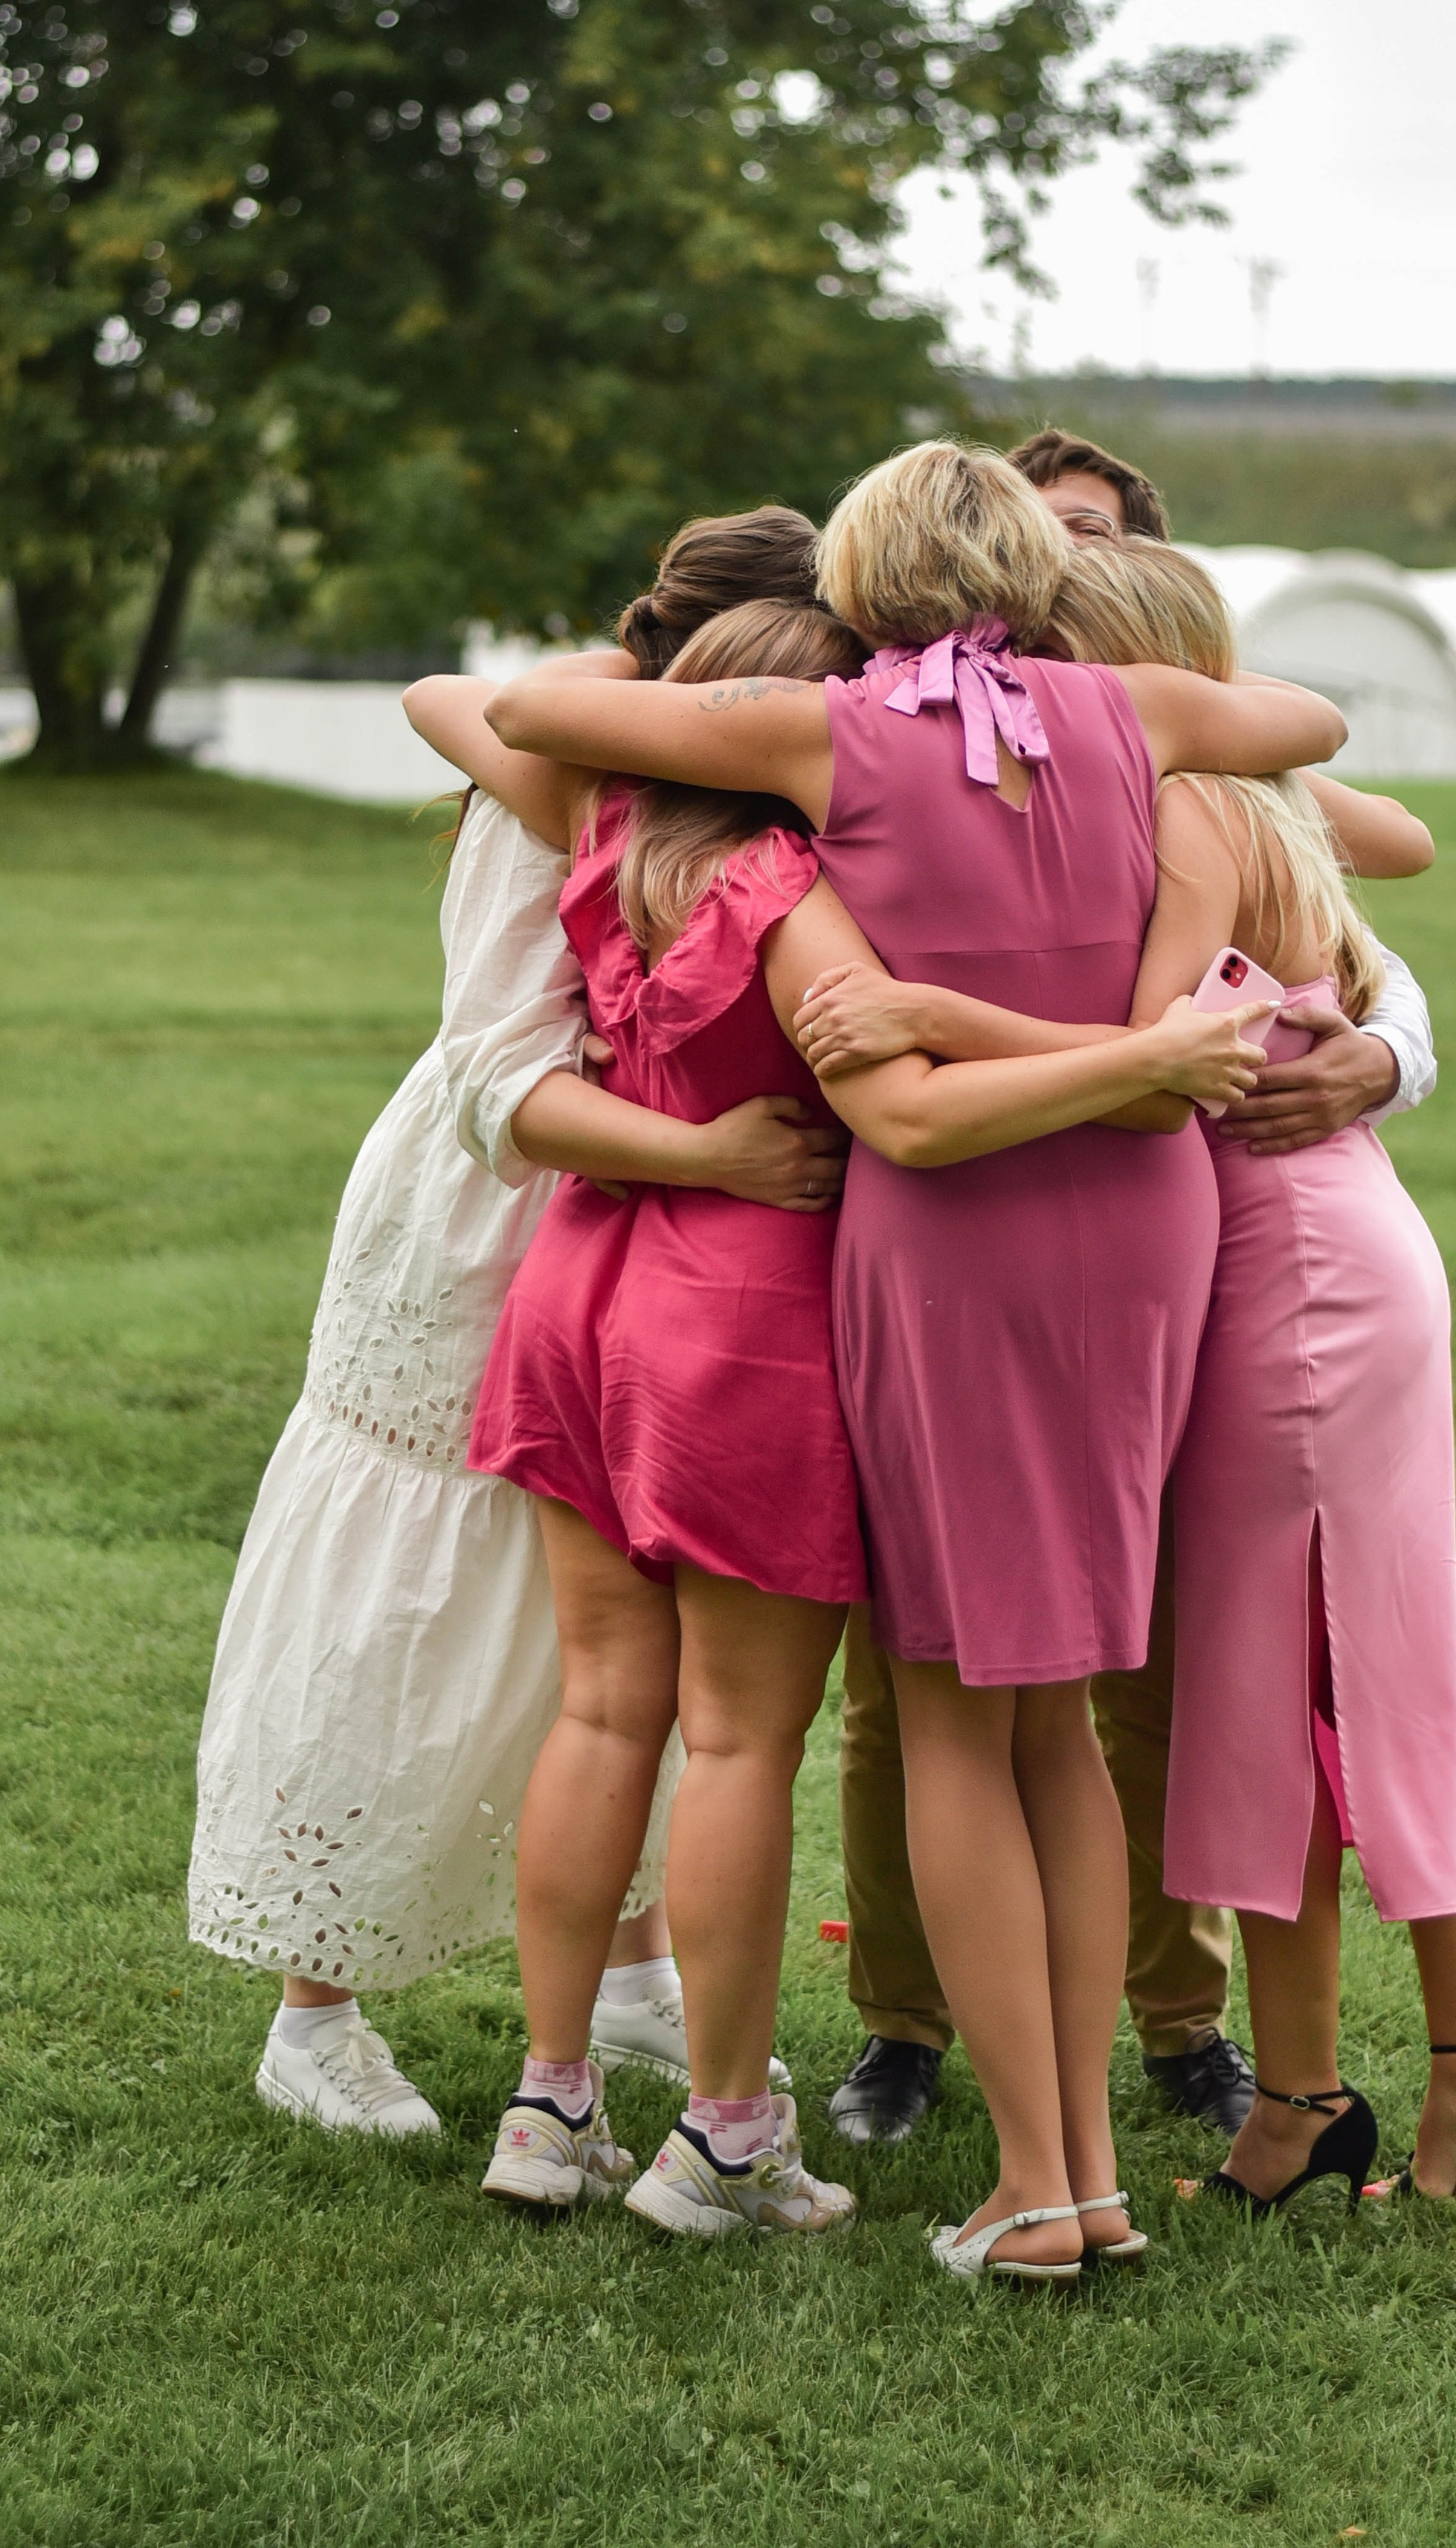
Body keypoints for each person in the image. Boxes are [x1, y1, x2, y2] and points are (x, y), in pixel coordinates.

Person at [484, 439, 1341, 2280]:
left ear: (863, 585)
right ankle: (1086, 2173)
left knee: (957, 1704)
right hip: (1138, 1224)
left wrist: (701, 676)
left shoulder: (826, 736)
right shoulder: (1131, 710)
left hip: (951, 1230)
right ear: (1033, 571)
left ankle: (1034, 2192)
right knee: (1066, 1713)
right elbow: (1316, 719)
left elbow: (526, 709)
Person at [822, 428, 1443, 2148]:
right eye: (1034, 554)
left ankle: (1175, 2024)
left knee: (1147, 1658)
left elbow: (1365, 878)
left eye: (1085, 552)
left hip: (1176, 1239)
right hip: (963, 1219)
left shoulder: (1163, 759)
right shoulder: (913, 742)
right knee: (914, 1674)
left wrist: (1386, 1058)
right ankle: (908, 2025)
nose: (1042, 598)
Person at [187, 512, 845, 2137]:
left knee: (604, 1637)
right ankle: (313, 2008)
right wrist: (703, 1153)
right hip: (491, 1224)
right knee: (418, 1603)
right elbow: (501, 1083)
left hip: (660, 1253)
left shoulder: (745, 809)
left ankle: (623, 1971)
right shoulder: (555, 777)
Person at [1063, 538, 1456, 2212]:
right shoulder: (1250, 803)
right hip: (1309, 1258)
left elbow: (1152, 1063)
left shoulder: (1199, 813)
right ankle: (1318, 2093)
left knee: (1330, 1676)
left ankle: (1446, 2065)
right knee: (1292, 1677)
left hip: (1294, 1283)